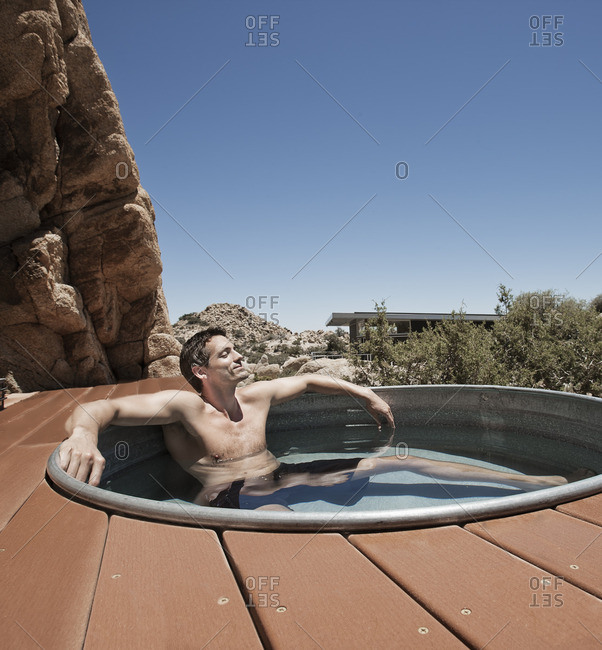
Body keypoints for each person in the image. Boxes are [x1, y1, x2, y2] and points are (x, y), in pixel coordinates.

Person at [59, 327, 567, 510]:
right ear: (200, 370)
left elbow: (308, 382)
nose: (239, 358)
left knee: (389, 464)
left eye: (238, 350)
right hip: (229, 495)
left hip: (281, 476)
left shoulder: (256, 397)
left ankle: (525, 484)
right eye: (226, 354)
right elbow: (99, 407)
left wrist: (362, 392)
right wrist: (84, 432)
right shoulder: (184, 407)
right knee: (272, 511)